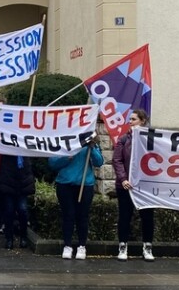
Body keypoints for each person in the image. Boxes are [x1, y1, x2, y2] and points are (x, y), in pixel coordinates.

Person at [49, 138, 104, 260]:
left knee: (83, 216)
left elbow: (99, 162)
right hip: (65, 184)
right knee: (68, 215)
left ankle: (82, 246)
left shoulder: (89, 142)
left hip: (85, 184)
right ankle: (67, 245)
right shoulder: (62, 140)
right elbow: (52, 163)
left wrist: (92, 148)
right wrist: (67, 157)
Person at [113, 109, 155, 261]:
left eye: (134, 119)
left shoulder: (152, 139)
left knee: (147, 217)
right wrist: (123, 179)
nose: (130, 122)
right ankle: (123, 247)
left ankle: (147, 247)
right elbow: (117, 160)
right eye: (130, 119)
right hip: (126, 186)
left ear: (142, 121)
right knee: (125, 216)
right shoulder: (124, 139)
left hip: (145, 187)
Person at [0, 153, 35, 250]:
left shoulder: (25, 155)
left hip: (23, 182)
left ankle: (23, 236)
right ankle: (9, 238)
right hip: (8, 181)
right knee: (9, 211)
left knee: (23, 210)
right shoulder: (7, 153)